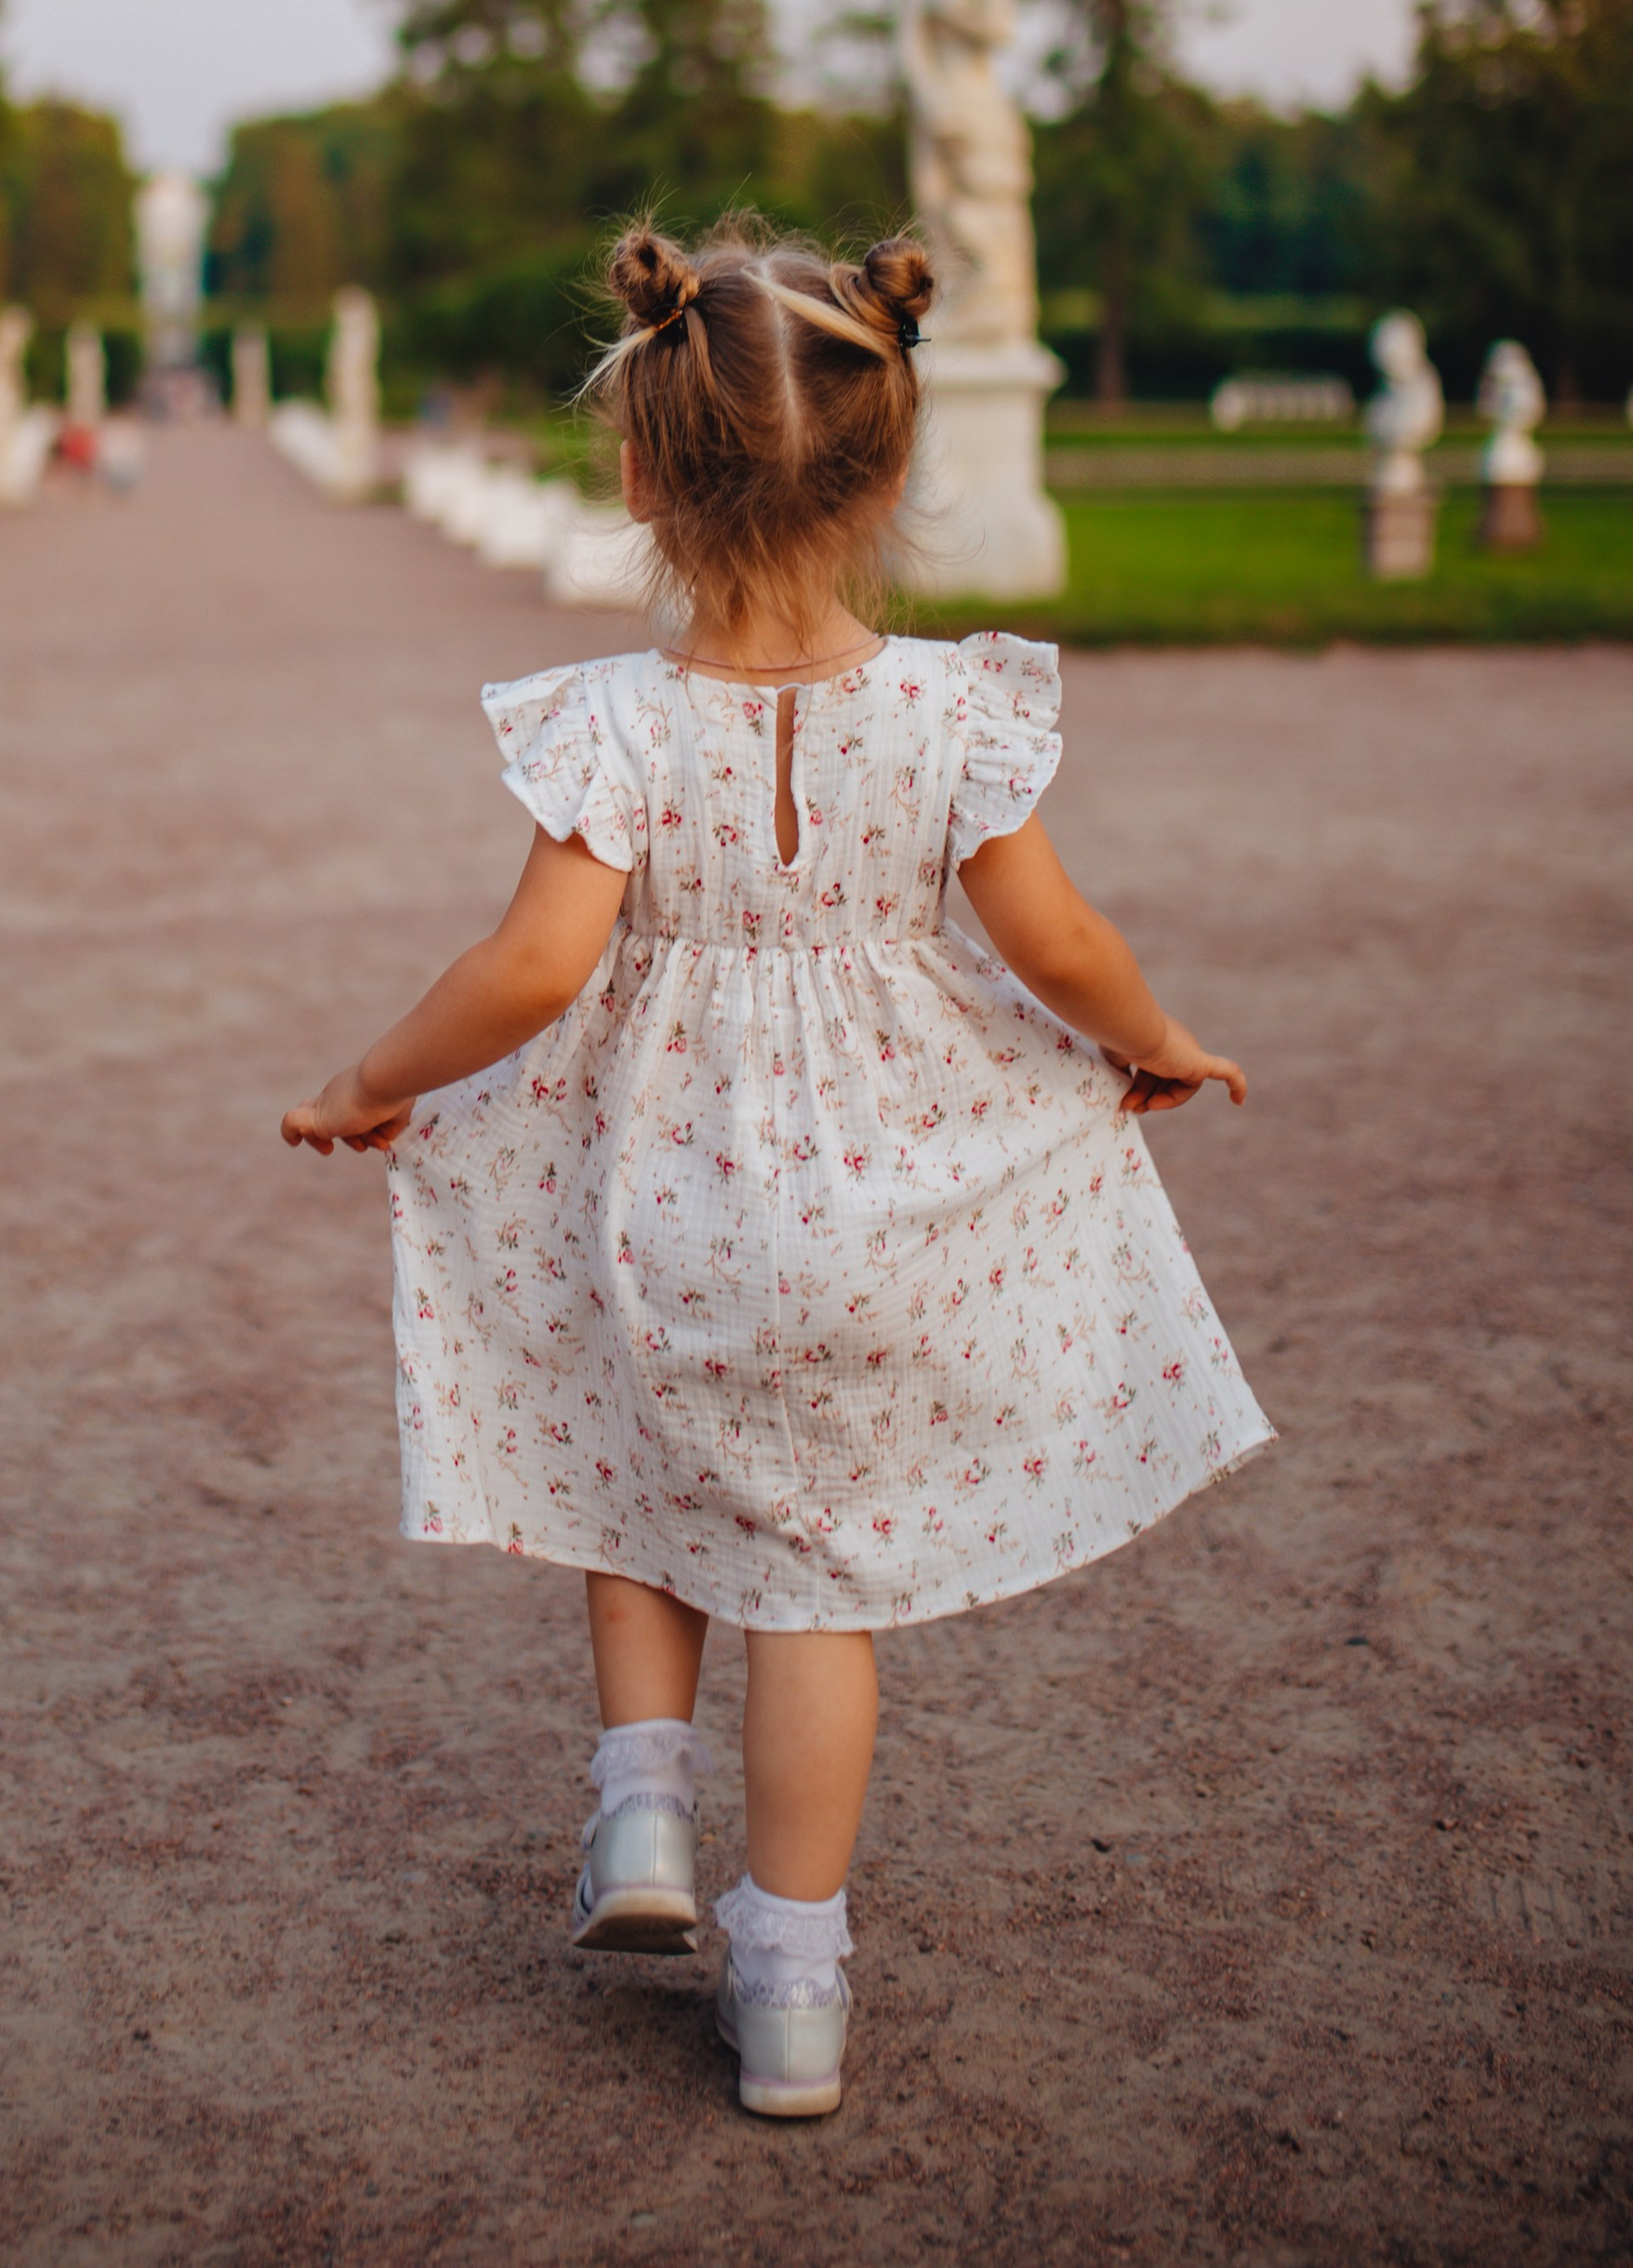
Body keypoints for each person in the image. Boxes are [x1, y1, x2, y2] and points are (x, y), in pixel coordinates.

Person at [282, 216, 1270, 2121]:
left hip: (658, 1188)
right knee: (817, 1588)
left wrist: (368, 1077)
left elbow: (532, 969)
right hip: (884, 1207)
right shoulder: (953, 714)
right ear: (887, 465)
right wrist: (1148, 1043)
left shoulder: (617, 722)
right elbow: (1053, 946)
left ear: (641, 472)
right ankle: (793, 1989)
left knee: (627, 1471)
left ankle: (640, 1804)